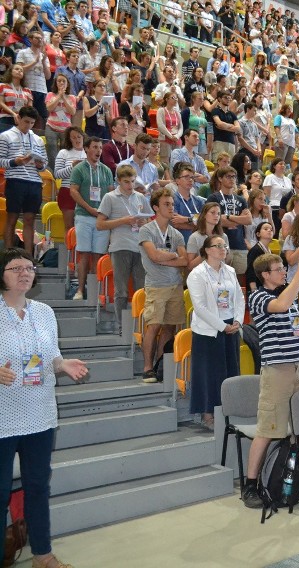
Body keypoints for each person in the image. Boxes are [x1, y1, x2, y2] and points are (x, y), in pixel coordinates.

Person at [0, 248, 88, 568]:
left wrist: (64, 364)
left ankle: (43, 555)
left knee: (38, 487)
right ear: (2, 274)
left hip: (39, 413)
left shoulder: (44, 312)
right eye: (15, 268)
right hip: (3, 416)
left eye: (29, 267)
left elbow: (51, 355)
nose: (25, 273)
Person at [240, 253, 299, 509]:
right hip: (278, 370)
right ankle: (250, 485)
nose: (283, 271)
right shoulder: (260, 297)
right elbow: (281, 306)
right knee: (268, 428)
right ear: (265, 275)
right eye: (278, 268)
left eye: (284, 267)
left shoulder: (291, 294)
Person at [186, 234, 244, 429]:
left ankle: (229, 411)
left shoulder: (230, 271)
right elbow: (199, 307)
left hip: (231, 327)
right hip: (208, 331)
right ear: (208, 250)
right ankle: (208, 414)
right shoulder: (197, 274)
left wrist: (237, 320)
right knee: (209, 374)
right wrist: (222, 326)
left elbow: (239, 298)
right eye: (218, 245)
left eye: (224, 245)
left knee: (230, 372)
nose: (223, 248)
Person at [138, 188, 188, 382]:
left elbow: (184, 260)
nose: (171, 207)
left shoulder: (175, 233)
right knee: (154, 326)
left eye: (172, 204)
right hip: (156, 285)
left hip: (175, 285)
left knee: (170, 327)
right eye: (167, 204)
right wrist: (171, 256)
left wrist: (166, 258)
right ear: (156, 207)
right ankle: (147, 367)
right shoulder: (147, 230)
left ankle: (161, 365)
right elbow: (153, 256)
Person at [95, 164, 152, 319]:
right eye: (126, 182)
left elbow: (149, 221)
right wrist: (122, 221)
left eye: (133, 181)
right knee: (121, 290)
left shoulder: (140, 197)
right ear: (119, 181)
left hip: (139, 247)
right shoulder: (110, 197)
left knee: (141, 288)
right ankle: (120, 324)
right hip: (120, 247)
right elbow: (100, 225)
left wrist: (143, 223)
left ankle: (140, 323)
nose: (130, 185)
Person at [0, 105, 46, 256]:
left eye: (32, 123)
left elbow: (44, 163)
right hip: (15, 180)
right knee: (12, 218)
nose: (29, 126)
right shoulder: (5, 136)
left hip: (34, 182)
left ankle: (28, 256)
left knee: (29, 220)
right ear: (18, 118)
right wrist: (15, 162)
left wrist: (40, 165)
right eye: (26, 121)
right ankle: (8, 255)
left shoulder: (38, 139)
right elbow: (1, 160)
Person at [68, 135, 111, 300]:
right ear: (86, 149)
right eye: (94, 147)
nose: (98, 151)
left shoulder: (106, 170)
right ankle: (80, 290)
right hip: (84, 216)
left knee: (98, 255)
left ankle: (94, 291)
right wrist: (90, 209)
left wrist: (103, 212)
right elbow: (73, 191)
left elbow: (111, 192)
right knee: (84, 253)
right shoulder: (79, 169)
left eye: (100, 148)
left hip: (101, 218)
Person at [206, 167, 251, 275]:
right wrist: (240, 219)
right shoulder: (213, 198)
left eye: (234, 177)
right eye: (228, 176)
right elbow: (217, 220)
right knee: (220, 278)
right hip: (220, 245)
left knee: (240, 282)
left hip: (240, 245)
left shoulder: (241, 199)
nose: (232, 179)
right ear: (220, 178)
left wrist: (229, 217)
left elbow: (249, 220)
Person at [54, 125, 85, 232]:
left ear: (83, 137)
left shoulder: (89, 152)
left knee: (83, 227)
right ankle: (69, 249)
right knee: (69, 227)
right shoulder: (64, 153)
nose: (77, 139)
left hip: (85, 192)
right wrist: (72, 167)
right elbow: (57, 174)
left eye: (79, 136)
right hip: (68, 191)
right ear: (69, 139)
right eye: (73, 137)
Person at [0, 64, 33, 133]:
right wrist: (13, 113)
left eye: (21, 70)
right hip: (6, 118)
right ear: (10, 71)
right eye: (17, 69)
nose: (19, 71)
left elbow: (30, 107)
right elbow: (1, 103)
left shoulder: (27, 90)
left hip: (21, 120)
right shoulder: (2, 86)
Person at [245, 221, 274, 292]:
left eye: (271, 229)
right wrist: (253, 289)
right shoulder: (255, 250)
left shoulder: (270, 251)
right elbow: (250, 271)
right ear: (258, 234)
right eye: (266, 229)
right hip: (258, 288)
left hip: (267, 286)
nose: (269, 230)